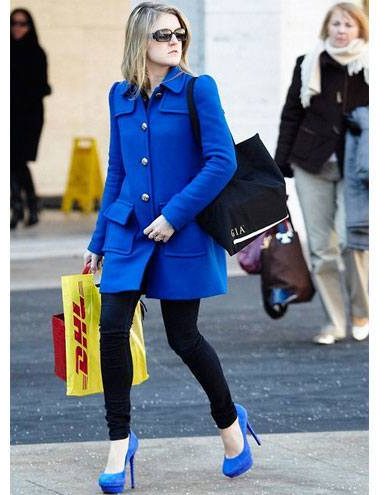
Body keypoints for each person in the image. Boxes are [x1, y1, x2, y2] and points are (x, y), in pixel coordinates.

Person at [83, 3, 261, 492]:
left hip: (179, 231)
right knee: (112, 327)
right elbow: (117, 171)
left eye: (179, 32)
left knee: (183, 337)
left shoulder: (198, 89)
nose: (174, 39)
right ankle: (119, 443)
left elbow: (222, 161)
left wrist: (173, 216)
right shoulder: (119, 94)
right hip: (127, 231)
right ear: (140, 40)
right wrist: (99, 240)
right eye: (163, 33)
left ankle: (231, 425)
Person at [274, 2, 369, 345]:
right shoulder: (308, 63)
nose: (341, 30)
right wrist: (279, 166)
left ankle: (362, 311)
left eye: (348, 25)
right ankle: (334, 321)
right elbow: (291, 115)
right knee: (321, 249)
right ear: (326, 28)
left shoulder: (371, 66)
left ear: (360, 30)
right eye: (336, 24)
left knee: (350, 241)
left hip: (357, 168)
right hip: (310, 163)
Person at [10, 8, 51, 229]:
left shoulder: (36, 53)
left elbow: (43, 87)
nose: (17, 28)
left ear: (30, 26)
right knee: (12, 162)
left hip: (28, 117)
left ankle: (25, 206)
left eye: (23, 23)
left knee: (17, 160)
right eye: (13, 23)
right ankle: (24, 206)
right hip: (10, 115)